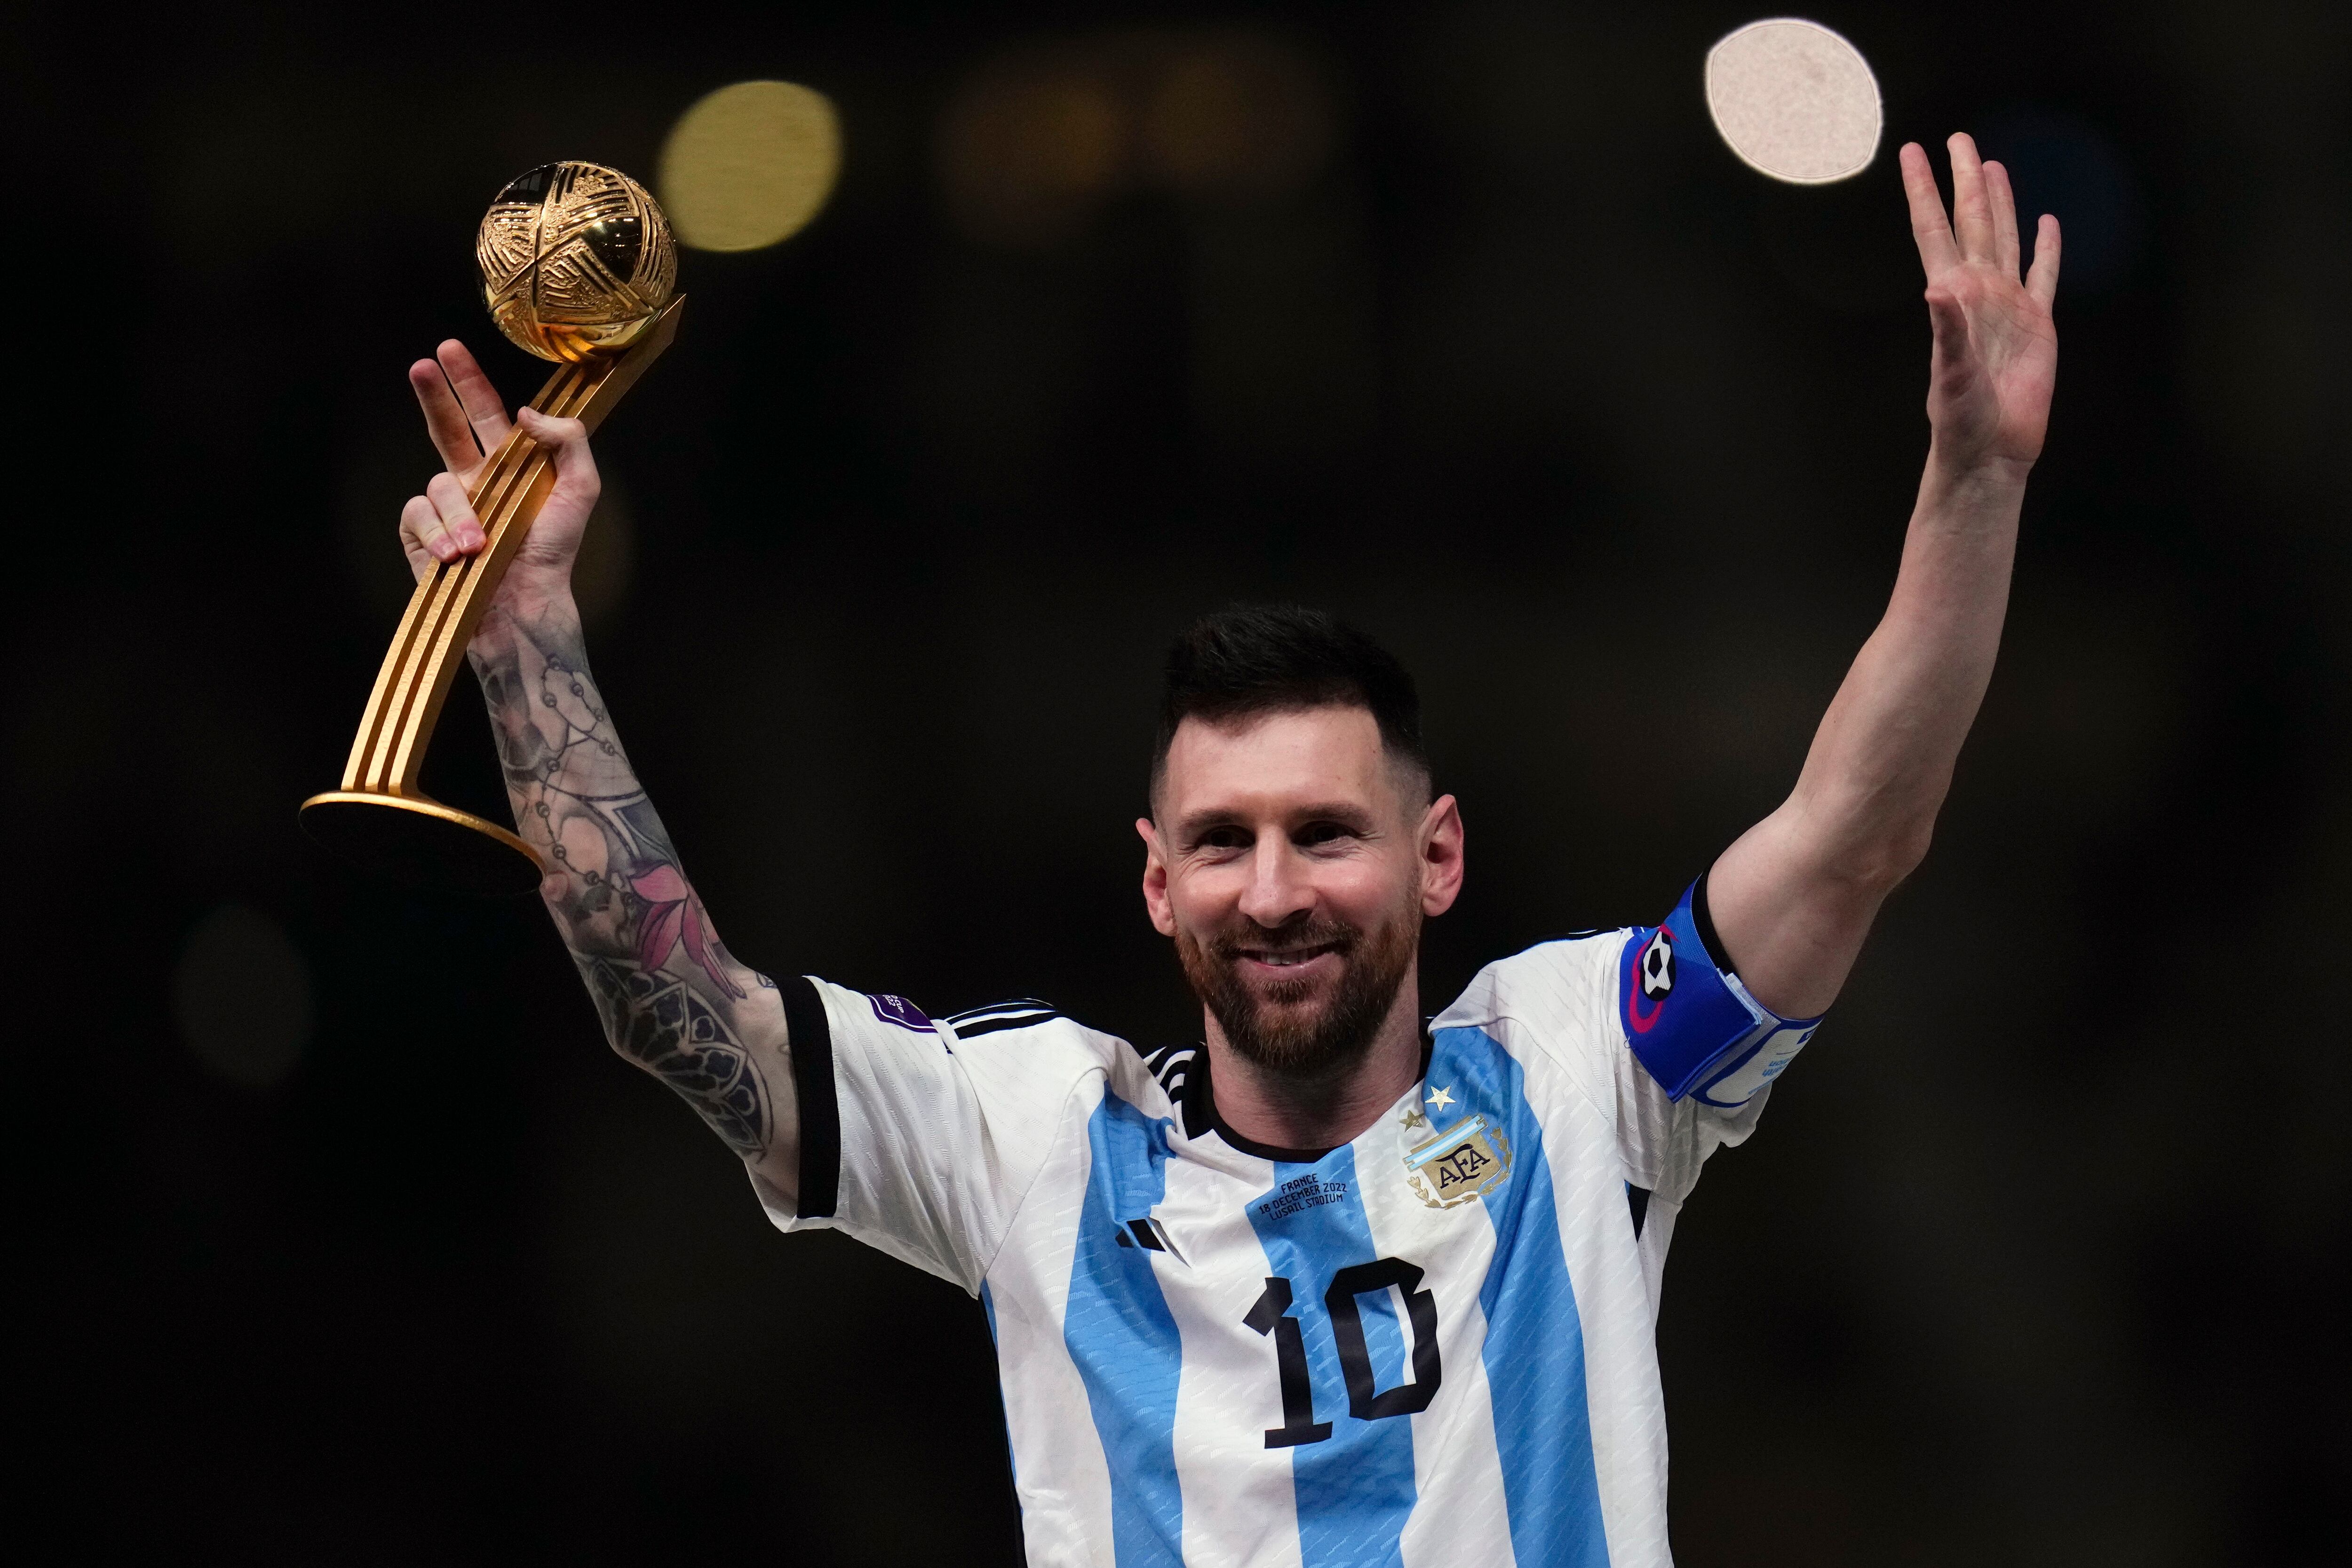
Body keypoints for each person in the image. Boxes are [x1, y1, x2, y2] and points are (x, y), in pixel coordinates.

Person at [394, 134, 2058, 1566]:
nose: (1272, 892)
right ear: (1155, 880)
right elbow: (662, 993)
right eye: (1223, 843)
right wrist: (526, 629)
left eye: (1327, 834)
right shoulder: (1030, 1133)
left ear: (1438, 856)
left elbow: (1852, 836)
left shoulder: (1577, 1071)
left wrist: (1975, 480)